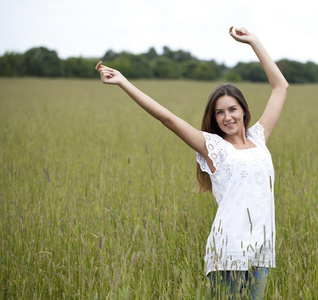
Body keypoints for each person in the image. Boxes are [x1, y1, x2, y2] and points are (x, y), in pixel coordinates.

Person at [96, 26, 288, 299]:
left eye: (232, 109)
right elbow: (168, 119)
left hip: (261, 250)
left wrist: (254, 42)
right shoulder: (215, 148)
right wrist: (125, 82)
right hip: (229, 252)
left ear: (244, 110)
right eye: (219, 112)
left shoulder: (259, 137)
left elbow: (281, 87)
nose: (227, 117)